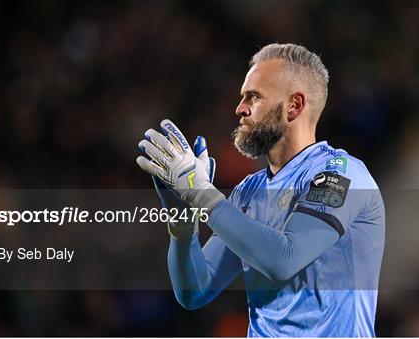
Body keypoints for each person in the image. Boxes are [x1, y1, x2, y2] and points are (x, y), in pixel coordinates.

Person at [137, 43, 385, 337]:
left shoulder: (341, 175)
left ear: (294, 106)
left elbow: (283, 260)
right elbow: (195, 291)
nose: (239, 109)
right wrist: (183, 225)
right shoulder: (248, 192)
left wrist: (202, 194)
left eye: (253, 97)